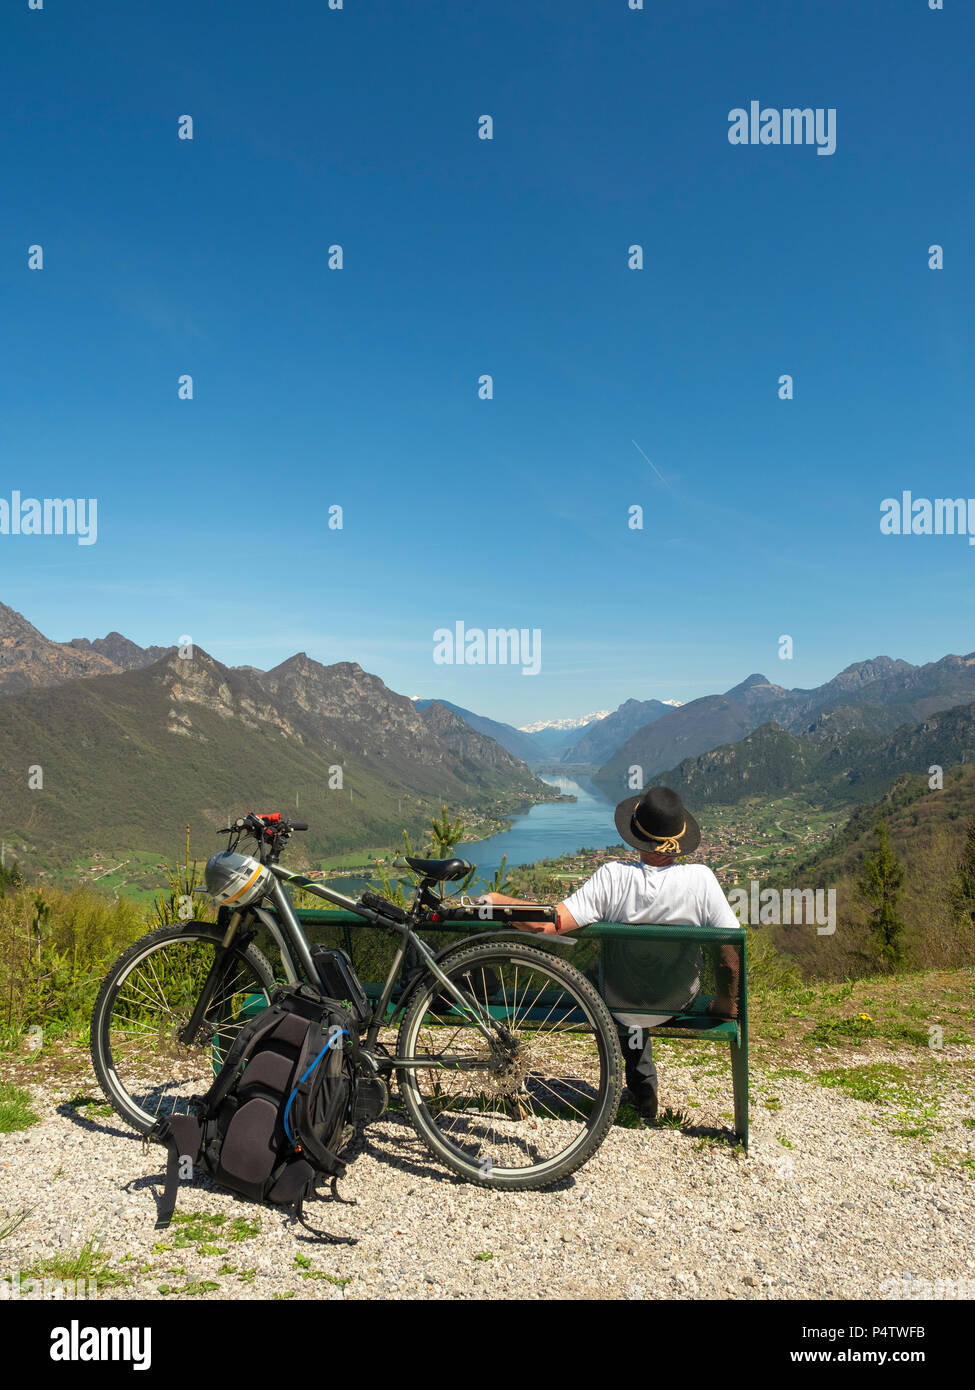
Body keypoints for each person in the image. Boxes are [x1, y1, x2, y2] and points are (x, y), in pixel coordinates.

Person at [478, 785, 742, 1121]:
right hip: (678, 999)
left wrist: (502, 902)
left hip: (617, 999)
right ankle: (642, 1092)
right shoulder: (701, 880)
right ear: (679, 838)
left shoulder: (613, 878)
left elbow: (549, 923)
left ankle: (633, 1085)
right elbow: (730, 954)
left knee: (605, 982)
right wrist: (725, 1003)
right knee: (633, 989)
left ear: (637, 835)